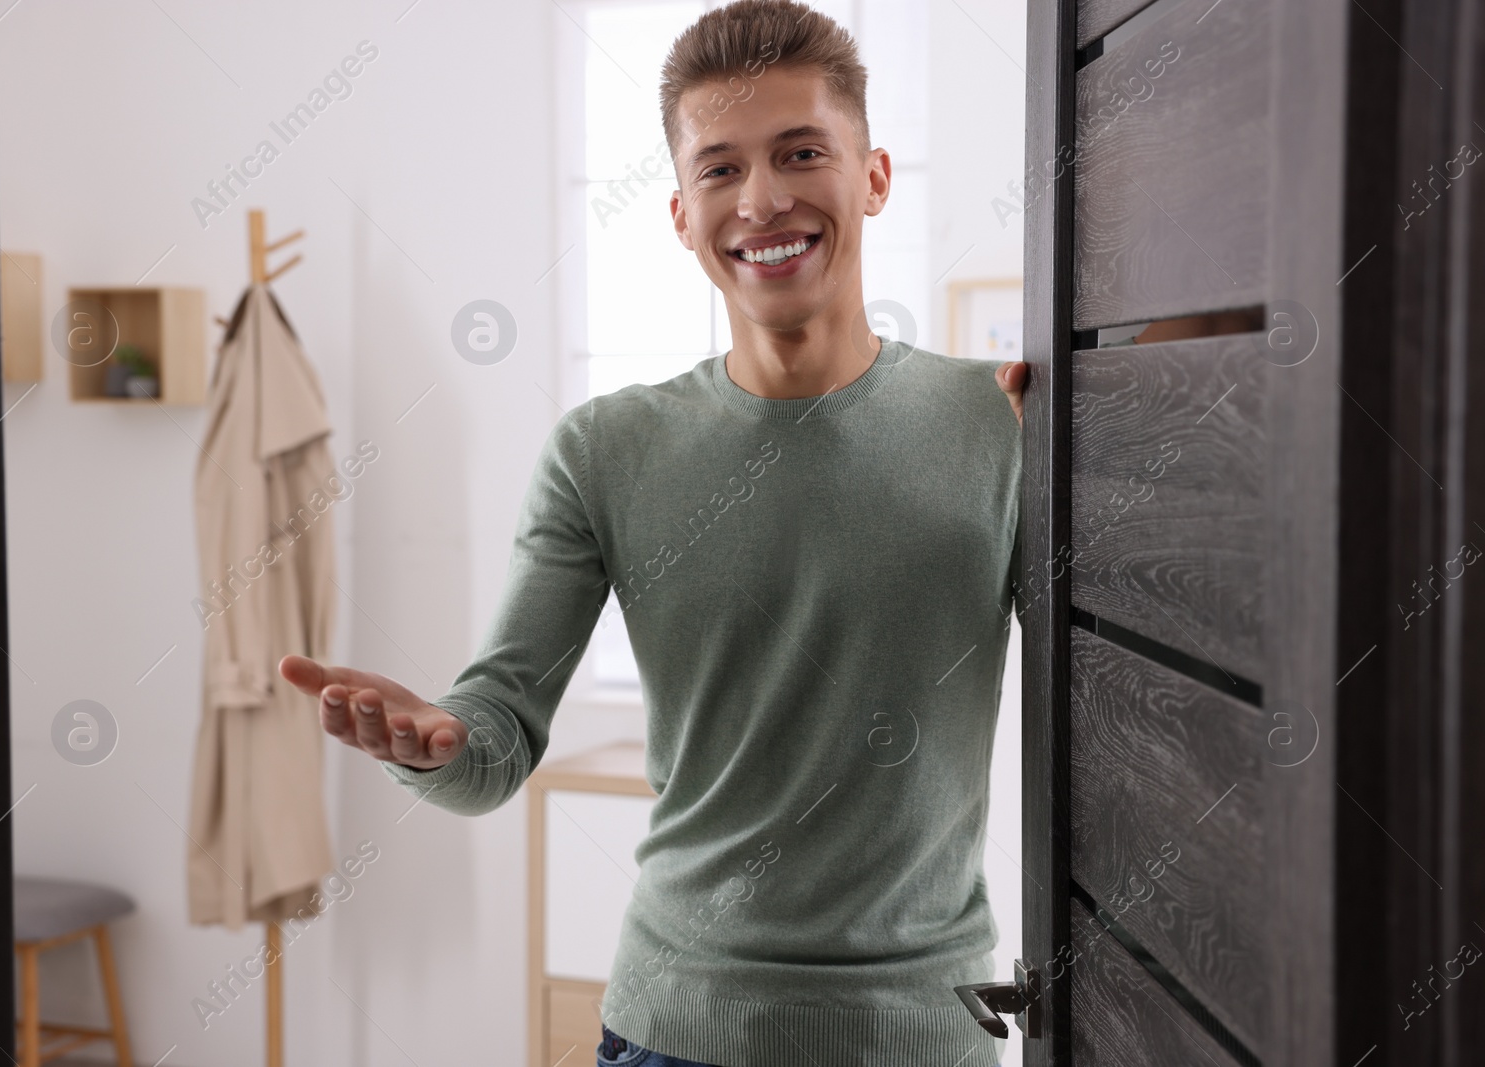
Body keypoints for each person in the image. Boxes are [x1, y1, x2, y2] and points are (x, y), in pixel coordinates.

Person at [280, 2, 1026, 1064]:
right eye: (719, 169)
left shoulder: (995, 422)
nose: (761, 198)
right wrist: (432, 743)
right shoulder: (605, 449)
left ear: (873, 177)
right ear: (680, 213)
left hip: (920, 1032)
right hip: (674, 1030)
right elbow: (493, 736)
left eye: (800, 152)